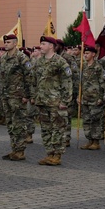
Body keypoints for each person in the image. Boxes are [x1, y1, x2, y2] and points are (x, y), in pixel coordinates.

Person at [31, 36, 73, 166]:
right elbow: (34, 81)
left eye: (43, 44)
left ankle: (57, 155)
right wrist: (33, 96)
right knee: (46, 129)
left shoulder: (60, 62)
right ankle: (49, 153)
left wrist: (65, 101)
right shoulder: (39, 62)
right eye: (41, 44)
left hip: (56, 101)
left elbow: (68, 82)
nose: (41, 46)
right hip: (42, 101)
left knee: (58, 129)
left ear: (51, 46)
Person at [78, 44, 105, 150]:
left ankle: (96, 141)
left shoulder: (98, 67)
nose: (85, 55)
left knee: (96, 120)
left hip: (95, 99)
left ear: (93, 54)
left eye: (87, 53)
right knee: (86, 120)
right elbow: (81, 83)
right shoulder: (84, 67)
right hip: (85, 98)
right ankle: (89, 140)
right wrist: (79, 96)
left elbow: (103, 83)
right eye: (84, 53)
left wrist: (102, 97)